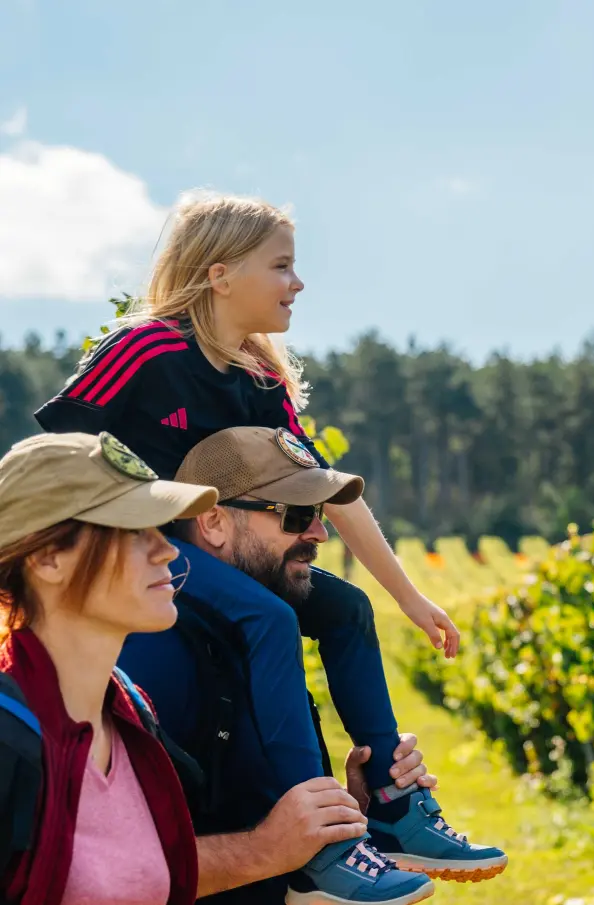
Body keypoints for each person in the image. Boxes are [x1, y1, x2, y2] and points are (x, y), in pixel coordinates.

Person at [34, 191, 506, 883]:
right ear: (220, 274)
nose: (298, 282)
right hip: (138, 548)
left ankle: (392, 804)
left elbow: (330, 490)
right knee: (270, 616)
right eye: (281, 265)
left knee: (347, 608)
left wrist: (409, 598)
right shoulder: (145, 348)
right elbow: (54, 451)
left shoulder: (260, 379)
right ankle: (319, 842)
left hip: (210, 555)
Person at [120, 426, 508, 905]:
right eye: (296, 515)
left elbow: (257, 817)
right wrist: (266, 851)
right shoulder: (147, 659)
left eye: (319, 514)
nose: (321, 534)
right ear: (214, 522)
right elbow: (103, 870)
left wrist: (351, 809)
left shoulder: (254, 641)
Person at [0, 432, 391, 905]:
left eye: (158, 528)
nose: (167, 550)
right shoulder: (10, 737)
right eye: (132, 532)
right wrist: (262, 850)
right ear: (48, 559)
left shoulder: (130, 711)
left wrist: (335, 816)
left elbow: (145, 870)